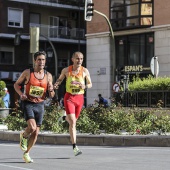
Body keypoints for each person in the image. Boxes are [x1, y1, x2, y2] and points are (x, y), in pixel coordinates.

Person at [14, 51, 55, 163]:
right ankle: (24, 135)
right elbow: (16, 85)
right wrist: (21, 94)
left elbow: (52, 95)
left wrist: (51, 88)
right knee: (31, 127)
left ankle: (26, 153)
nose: (41, 62)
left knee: (36, 132)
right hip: (28, 103)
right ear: (35, 61)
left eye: (43, 60)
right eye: (39, 60)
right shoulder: (28, 73)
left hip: (40, 104)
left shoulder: (48, 75)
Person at [54, 51, 92, 156]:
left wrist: (85, 86)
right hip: (69, 97)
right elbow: (60, 79)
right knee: (73, 122)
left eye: (81, 59)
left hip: (79, 98)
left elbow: (90, 83)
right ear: (72, 59)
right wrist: (56, 84)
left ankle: (64, 118)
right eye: (77, 58)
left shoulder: (85, 71)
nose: (79, 60)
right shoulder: (66, 70)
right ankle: (75, 146)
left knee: (73, 121)